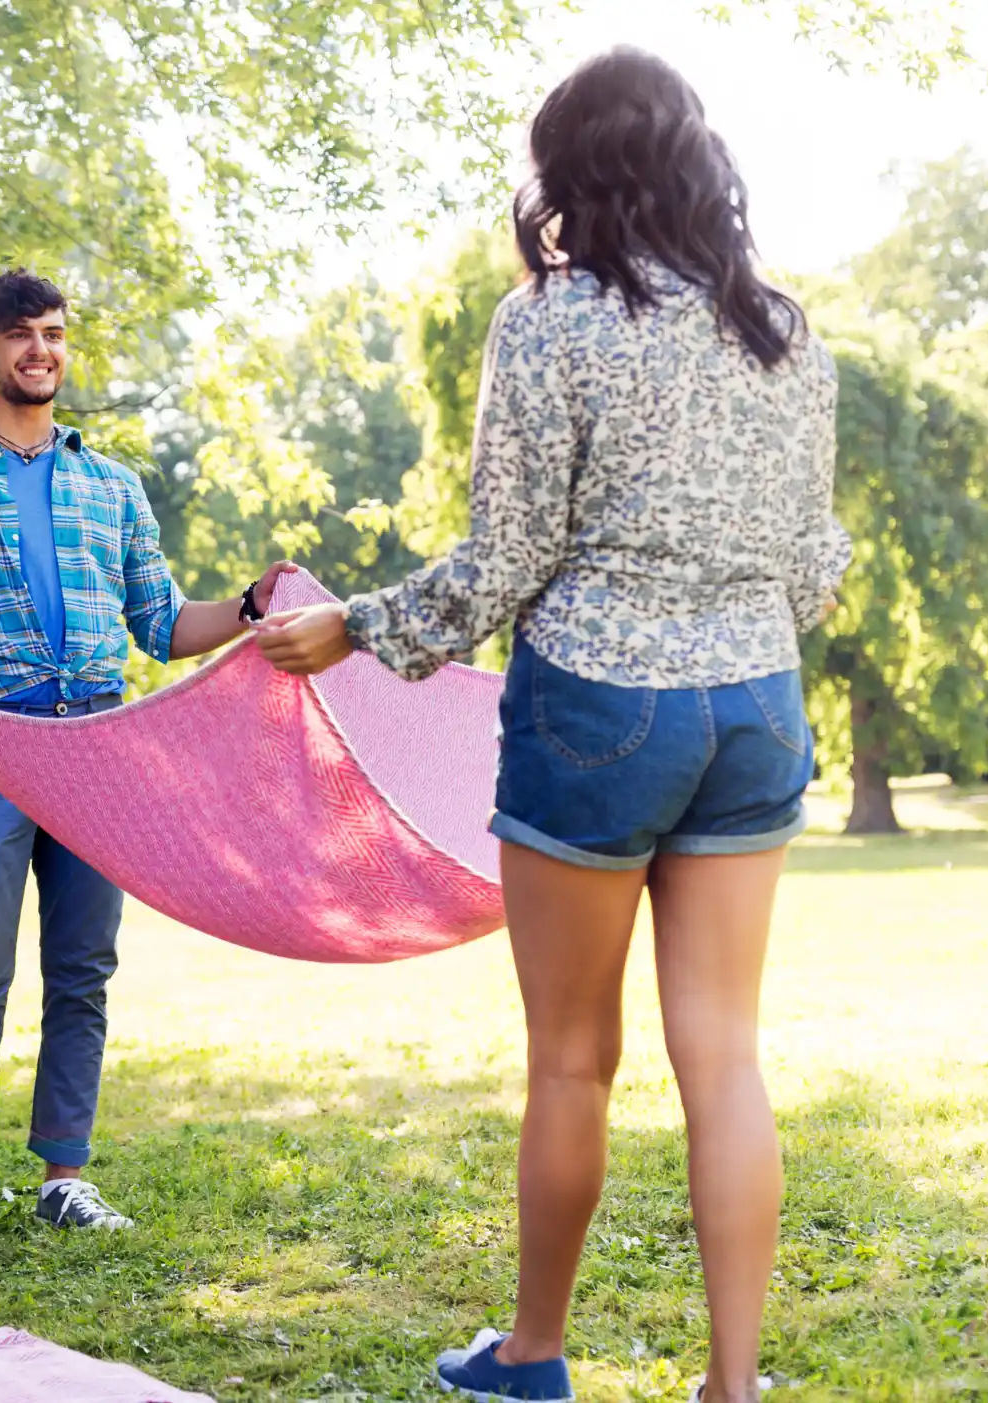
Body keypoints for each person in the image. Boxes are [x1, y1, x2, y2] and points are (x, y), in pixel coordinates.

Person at [254, 49, 848, 1403]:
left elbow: (509, 557)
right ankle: (734, 1386)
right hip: (756, 707)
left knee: (574, 1057)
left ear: (570, 168)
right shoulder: (782, 329)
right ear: (695, 158)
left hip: (597, 708)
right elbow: (814, 559)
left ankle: (531, 1354)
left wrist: (355, 624)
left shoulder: (549, 321)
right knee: (725, 1053)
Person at [0, 270, 295, 1265]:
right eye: (20, 335)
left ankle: (64, 1181)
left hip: (98, 751)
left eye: (53, 333)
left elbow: (163, 624)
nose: (40, 350)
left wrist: (251, 606)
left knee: (83, 971)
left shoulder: (112, 486)